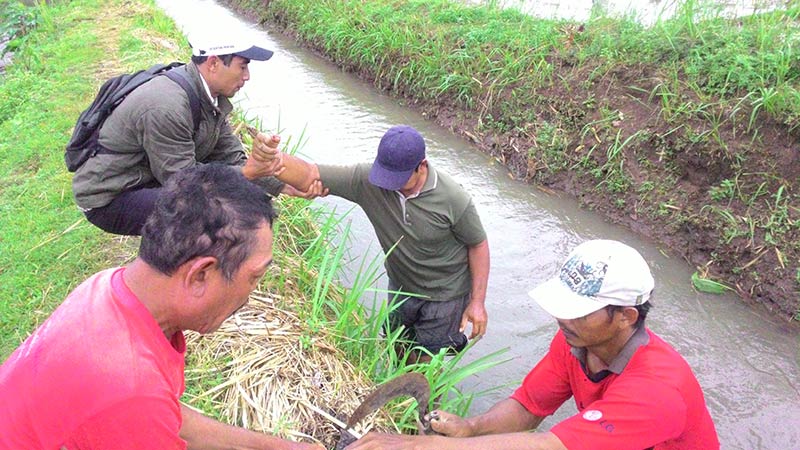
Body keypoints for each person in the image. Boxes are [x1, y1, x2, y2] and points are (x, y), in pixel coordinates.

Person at [0, 165, 323, 450]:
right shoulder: (129, 390)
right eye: (254, 277)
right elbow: (141, 407)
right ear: (199, 275)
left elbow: (166, 416)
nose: (250, 295)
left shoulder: (110, 288)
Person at [346, 240, 720, 449]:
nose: (563, 319)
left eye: (579, 311)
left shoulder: (657, 390)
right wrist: (472, 428)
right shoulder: (576, 341)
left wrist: (418, 447)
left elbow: (551, 448)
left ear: (626, 316)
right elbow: (530, 406)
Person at [275, 125, 490, 363]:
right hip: (401, 286)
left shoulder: (453, 199)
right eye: (386, 176)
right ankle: (397, 393)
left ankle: (423, 400)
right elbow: (309, 174)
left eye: (398, 179)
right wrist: (272, 161)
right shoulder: (370, 182)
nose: (389, 185)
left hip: (445, 296)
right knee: (395, 346)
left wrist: (477, 302)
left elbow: (478, 245)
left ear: (422, 166)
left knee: (425, 363)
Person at [71, 36, 316, 236]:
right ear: (213, 64)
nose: (247, 76)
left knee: (246, 200)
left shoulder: (208, 96)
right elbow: (184, 183)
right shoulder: (167, 106)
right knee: (214, 214)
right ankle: (166, 281)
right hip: (110, 197)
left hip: (143, 180)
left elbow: (229, 154)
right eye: (242, 66)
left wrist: (282, 185)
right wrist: (247, 174)